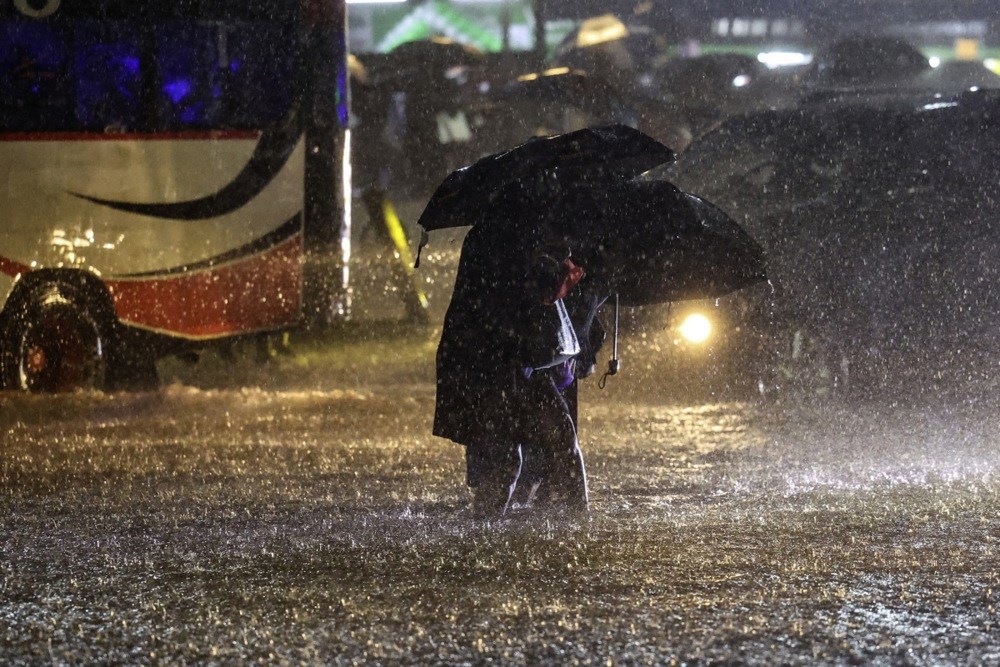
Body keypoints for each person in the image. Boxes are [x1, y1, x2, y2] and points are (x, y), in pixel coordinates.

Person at [433, 227, 604, 519]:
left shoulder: (500, 234)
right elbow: (535, 291)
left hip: (506, 356)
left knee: (541, 447)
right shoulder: (518, 237)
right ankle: (485, 530)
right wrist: (557, 264)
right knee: (524, 453)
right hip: (501, 355)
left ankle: (488, 530)